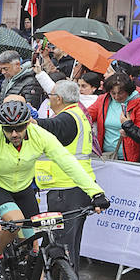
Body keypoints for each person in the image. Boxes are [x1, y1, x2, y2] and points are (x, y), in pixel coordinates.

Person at [0, 101, 107, 280]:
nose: (15, 133)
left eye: (19, 127)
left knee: (35, 244)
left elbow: (67, 162)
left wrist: (95, 192)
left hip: (24, 189)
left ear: (28, 122)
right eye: (9, 129)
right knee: (16, 221)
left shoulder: (39, 134)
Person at [34, 80, 95, 266]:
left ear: (59, 99)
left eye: (50, 96)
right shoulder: (77, 114)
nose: (49, 100)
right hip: (74, 187)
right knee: (67, 240)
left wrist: (31, 121)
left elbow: (52, 126)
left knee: (62, 241)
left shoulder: (67, 118)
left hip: (66, 188)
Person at [86, 71, 140, 162]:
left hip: (127, 158)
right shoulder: (103, 100)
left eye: (120, 93)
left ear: (128, 91)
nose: (116, 97)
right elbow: (87, 116)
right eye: (113, 93)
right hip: (104, 154)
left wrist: (129, 130)